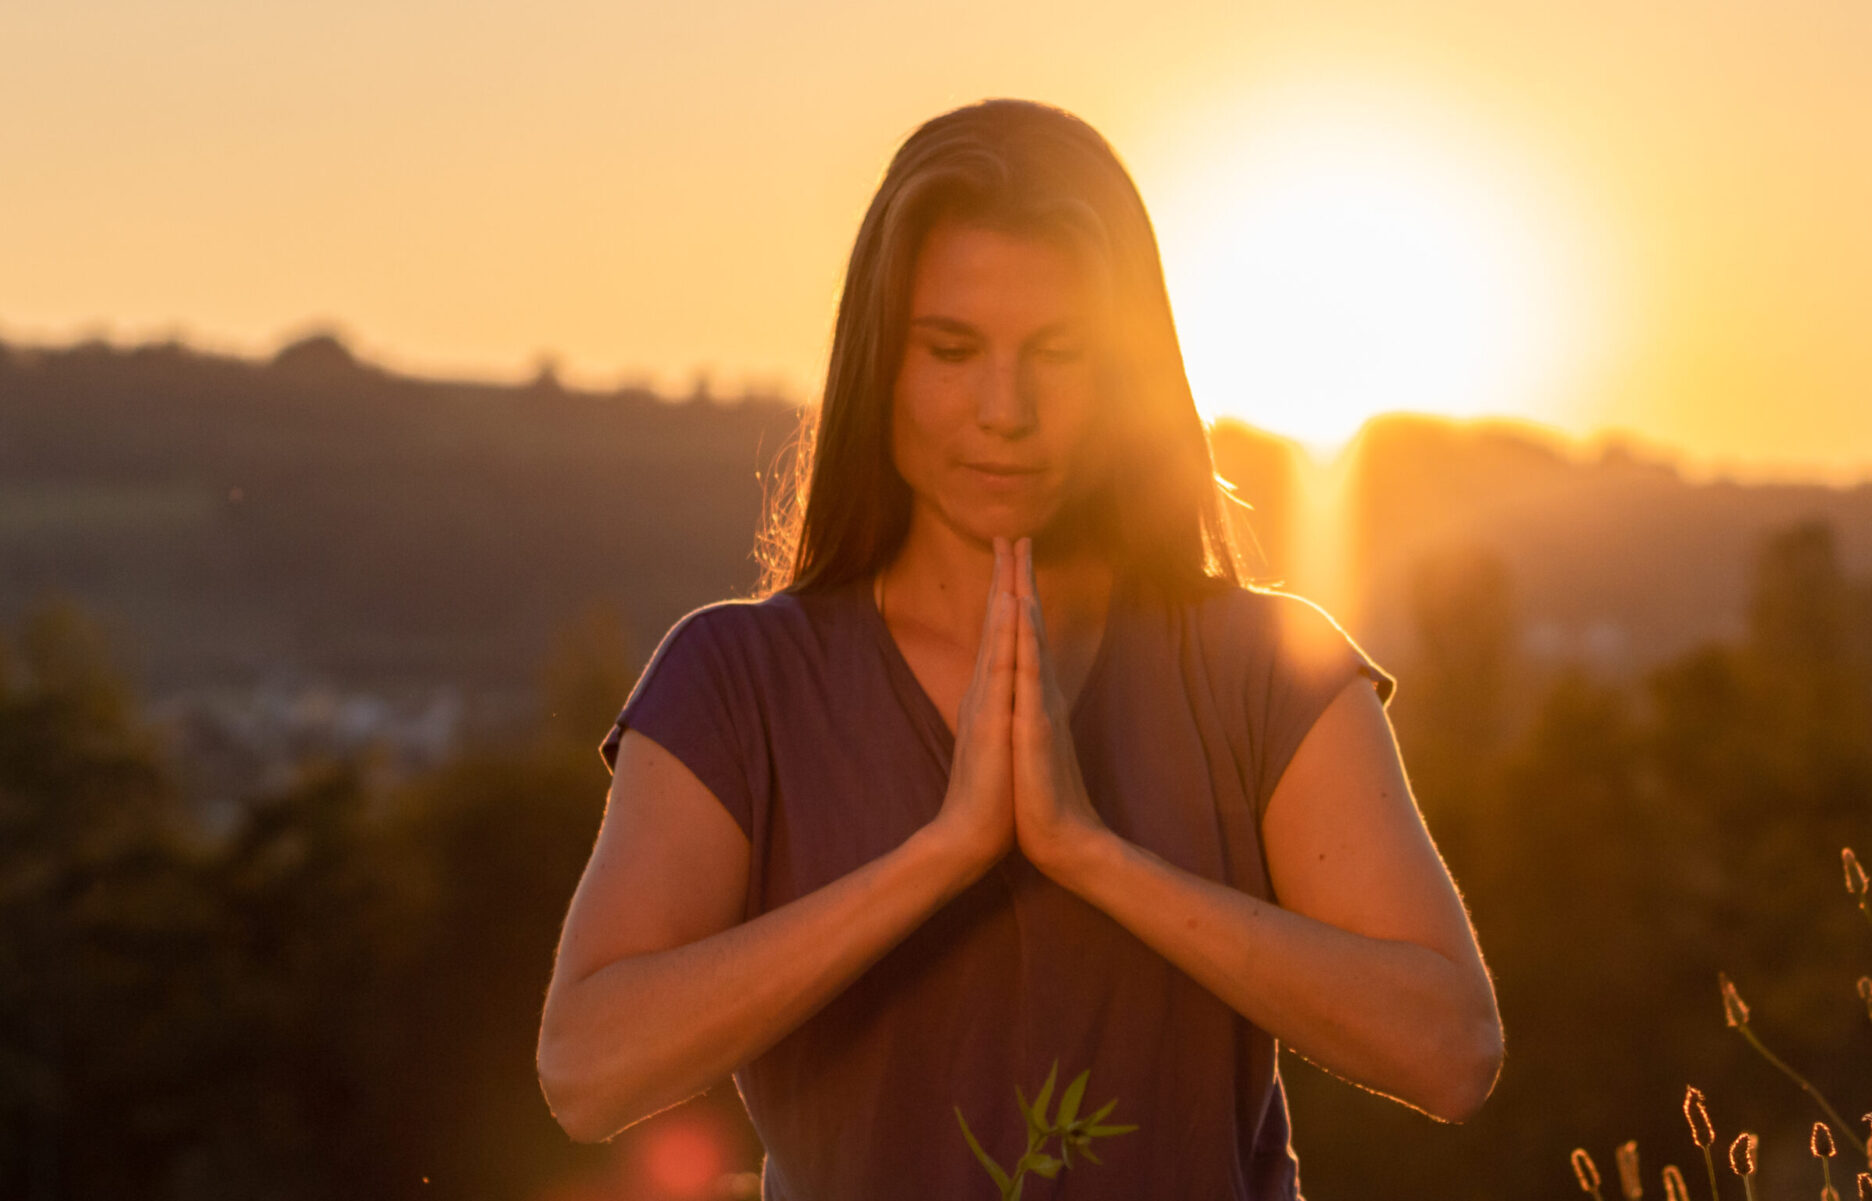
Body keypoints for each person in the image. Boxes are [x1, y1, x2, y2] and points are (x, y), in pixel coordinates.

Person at [536, 97, 1502, 1199]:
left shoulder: (1259, 667)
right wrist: (941, 853)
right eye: (951, 349)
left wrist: (1088, 851)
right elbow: (584, 1070)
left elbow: (1449, 1051)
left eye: (1060, 353)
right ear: (877, 366)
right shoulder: (737, 681)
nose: (1006, 409)